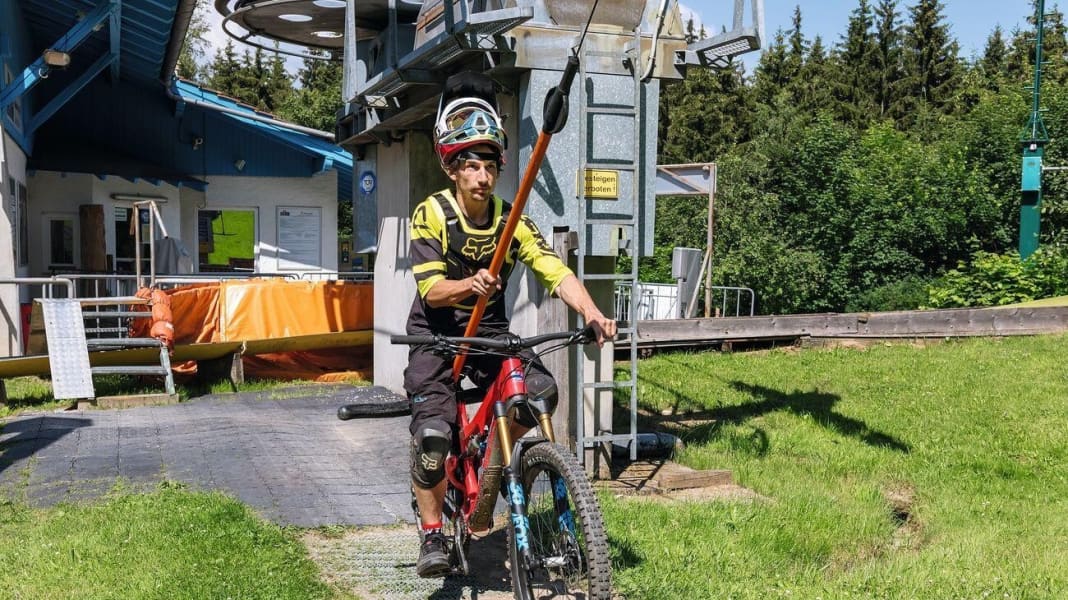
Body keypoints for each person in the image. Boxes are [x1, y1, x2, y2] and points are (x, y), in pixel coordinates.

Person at [404, 72, 616, 578]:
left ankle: (486, 453)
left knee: (540, 390)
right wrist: (469, 284)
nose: (482, 176)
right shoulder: (431, 213)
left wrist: (589, 310)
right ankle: (433, 534)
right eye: (471, 166)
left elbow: (555, 271)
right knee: (434, 436)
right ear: (453, 169)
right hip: (436, 335)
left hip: (490, 333)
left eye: (490, 166)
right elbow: (432, 289)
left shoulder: (513, 219)